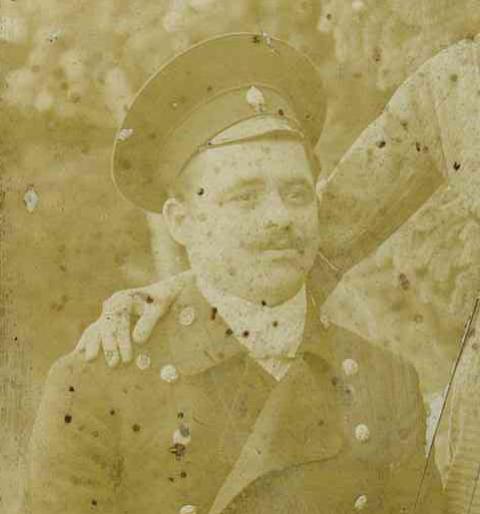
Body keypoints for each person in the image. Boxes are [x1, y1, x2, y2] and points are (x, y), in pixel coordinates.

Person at [28, 33, 445, 514]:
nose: (280, 217)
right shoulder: (95, 388)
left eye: (297, 194)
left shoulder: (385, 384)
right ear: (181, 221)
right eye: (245, 196)